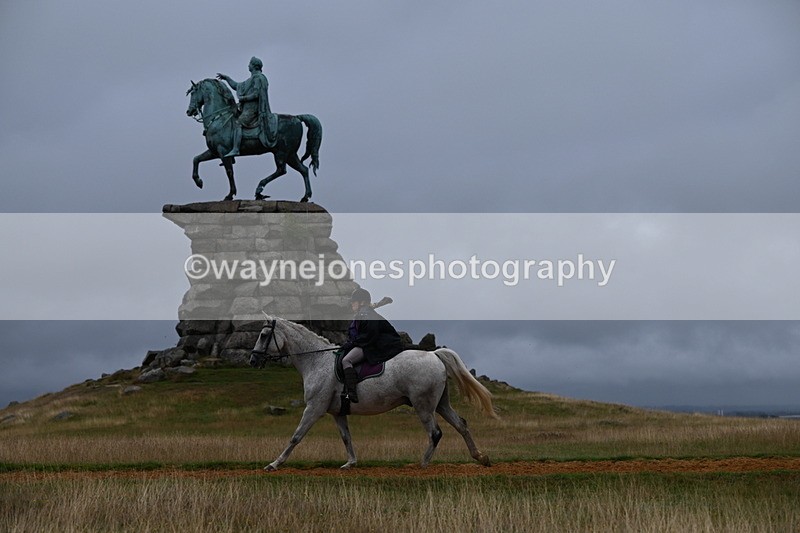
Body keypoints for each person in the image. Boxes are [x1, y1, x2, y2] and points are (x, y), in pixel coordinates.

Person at [340, 288, 405, 403]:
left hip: (376, 345)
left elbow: (370, 335)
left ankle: (351, 393)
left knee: (346, 361)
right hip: (369, 343)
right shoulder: (362, 314)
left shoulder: (366, 314)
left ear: (362, 302)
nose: (351, 303)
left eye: (354, 301)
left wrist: (352, 343)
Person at [216, 56, 277, 158]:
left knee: (238, 123)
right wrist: (227, 78)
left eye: (249, 64)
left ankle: (236, 149)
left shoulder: (259, 78)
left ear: (253, 66)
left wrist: (243, 98)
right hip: (246, 109)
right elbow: (237, 86)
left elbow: (256, 94)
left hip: (253, 110)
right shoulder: (251, 79)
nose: (248, 65)